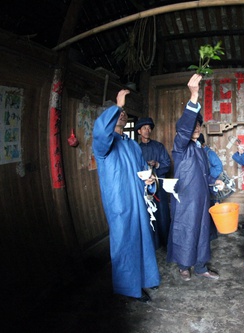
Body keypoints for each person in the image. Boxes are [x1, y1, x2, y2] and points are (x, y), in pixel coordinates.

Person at [92, 89, 160, 303]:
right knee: (124, 244)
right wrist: (118, 106)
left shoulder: (131, 144)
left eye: (122, 112)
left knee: (141, 241)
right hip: (119, 203)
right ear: (108, 117)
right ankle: (127, 289)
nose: (122, 114)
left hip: (137, 202)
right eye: (117, 113)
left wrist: (149, 181)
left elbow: (142, 171)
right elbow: (100, 132)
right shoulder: (103, 145)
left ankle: (144, 280)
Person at [167, 74, 224, 281]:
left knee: (201, 232)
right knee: (185, 230)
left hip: (201, 200)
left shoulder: (200, 149)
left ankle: (200, 266)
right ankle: (184, 266)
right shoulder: (181, 147)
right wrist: (193, 96)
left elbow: (204, 173)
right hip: (185, 201)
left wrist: (213, 181)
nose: (196, 128)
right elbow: (184, 129)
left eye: (199, 125)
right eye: (193, 125)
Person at [136, 117, 172, 249]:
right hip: (144, 187)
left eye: (149, 128)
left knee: (162, 213)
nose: (147, 130)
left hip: (159, 187)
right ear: (139, 131)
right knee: (148, 215)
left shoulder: (158, 146)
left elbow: (167, 165)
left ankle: (166, 243)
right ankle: (152, 244)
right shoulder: (136, 149)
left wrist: (157, 164)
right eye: (144, 128)